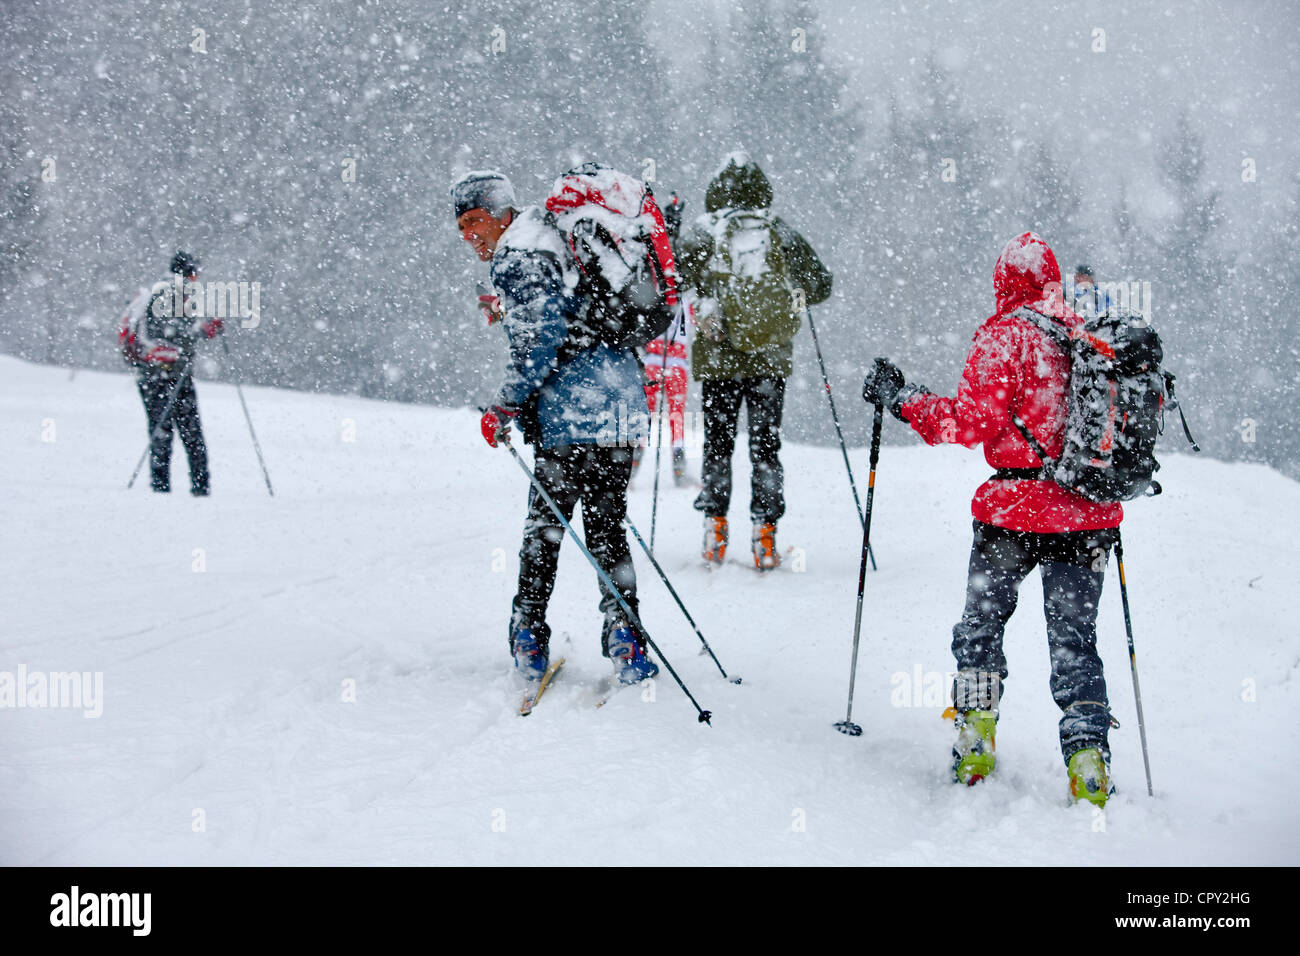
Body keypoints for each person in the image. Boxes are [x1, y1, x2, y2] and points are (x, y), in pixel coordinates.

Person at [862, 232, 1121, 807]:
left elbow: (967, 423)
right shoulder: (1088, 335)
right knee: (1076, 642)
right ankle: (1088, 763)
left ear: (1004, 281)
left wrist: (904, 398)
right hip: (1086, 517)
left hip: (1013, 514)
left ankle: (976, 734)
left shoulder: (1006, 337)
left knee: (982, 627)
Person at [452, 169, 658, 686]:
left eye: (476, 220)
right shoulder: (561, 236)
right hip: (618, 410)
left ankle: (528, 638)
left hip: (571, 417)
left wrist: (504, 406)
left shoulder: (520, 253)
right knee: (608, 530)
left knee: (545, 530)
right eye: (461, 227)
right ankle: (626, 640)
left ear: (502, 215)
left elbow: (540, 339)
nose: (470, 234)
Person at [674, 153, 832, 569]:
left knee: (718, 444)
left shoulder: (704, 232)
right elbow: (820, 285)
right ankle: (765, 536)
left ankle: (715, 531)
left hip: (719, 359)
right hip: (769, 359)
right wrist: (790, 297)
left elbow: (672, 280)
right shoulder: (778, 231)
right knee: (765, 447)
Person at [121, 250, 222, 495]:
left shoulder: (172, 293)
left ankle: (164, 486)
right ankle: (195, 488)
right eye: (194, 274)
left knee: (163, 431)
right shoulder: (167, 294)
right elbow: (167, 332)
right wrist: (203, 331)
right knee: (186, 433)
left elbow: (172, 331)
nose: (196, 279)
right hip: (163, 374)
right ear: (186, 273)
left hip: (159, 374)